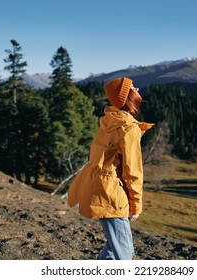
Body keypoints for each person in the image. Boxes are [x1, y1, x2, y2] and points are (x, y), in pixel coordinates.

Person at [67, 77, 153, 260]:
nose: (137, 87)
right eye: (132, 86)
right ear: (126, 97)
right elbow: (133, 172)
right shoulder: (128, 128)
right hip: (111, 195)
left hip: (100, 189)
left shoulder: (109, 121)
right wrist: (136, 206)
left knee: (116, 250)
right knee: (123, 254)